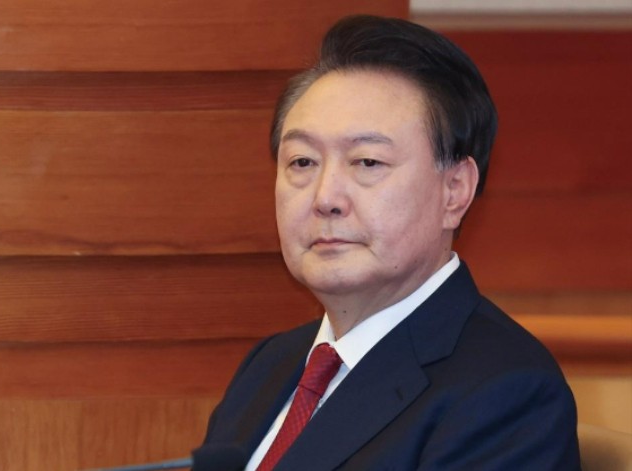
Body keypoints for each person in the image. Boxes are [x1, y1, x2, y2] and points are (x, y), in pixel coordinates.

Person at [202, 15, 581, 470]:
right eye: (302, 162)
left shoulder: (507, 395)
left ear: (454, 191)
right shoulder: (270, 365)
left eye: (367, 162)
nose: (325, 198)